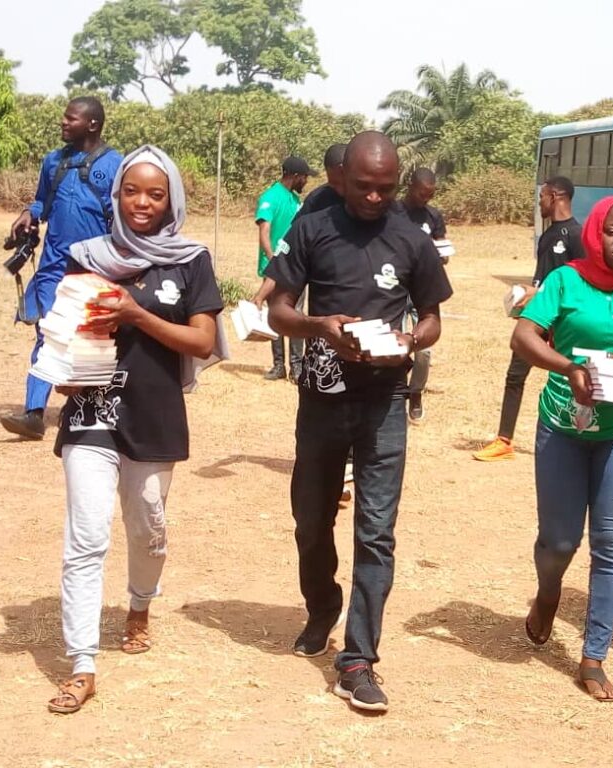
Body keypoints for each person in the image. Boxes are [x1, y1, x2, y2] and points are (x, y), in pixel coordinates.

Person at [265, 131, 453, 713]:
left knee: (376, 531)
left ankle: (358, 660)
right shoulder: (313, 228)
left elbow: (431, 319)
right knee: (310, 521)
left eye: (386, 188)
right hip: (323, 397)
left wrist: (410, 340)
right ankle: (322, 606)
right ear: (343, 176)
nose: (375, 198)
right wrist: (321, 327)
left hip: (384, 400)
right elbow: (278, 310)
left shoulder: (411, 238)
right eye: (365, 186)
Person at [45, 145, 226, 714]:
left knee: (148, 526)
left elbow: (202, 341)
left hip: (154, 413)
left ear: (171, 200)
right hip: (91, 413)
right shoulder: (88, 256)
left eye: (155, 193)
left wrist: (137, 315)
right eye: (130, 191)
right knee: (86, 537)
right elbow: (67, 330)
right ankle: (82, 664)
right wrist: (62, 370)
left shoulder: (190, 260)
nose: (141, 202)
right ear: (116, 195)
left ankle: (140, 605)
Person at [512, 195, 613, 702]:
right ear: (595, 232)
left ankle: (594, 656)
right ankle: (548, 593)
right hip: (563, 426)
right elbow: (523, 336)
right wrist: (568, 368)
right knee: (559, 542)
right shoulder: (565, 281)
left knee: (612, 545)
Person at [0, 97, 123, 440]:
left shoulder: (116, 165)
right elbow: (43, 200)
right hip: (53, 266)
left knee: (91, 337)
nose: (63, 123)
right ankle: (34, 414)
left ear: (92, 124)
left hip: (96, 269)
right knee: (48, 332)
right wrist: (29, 213)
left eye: (71, 119)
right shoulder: (53, 161)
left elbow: (123, 218)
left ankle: (88, 410)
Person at [474, 176, 584, 460]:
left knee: (570, 376)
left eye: (542, 196)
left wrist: (542, 292)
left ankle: (579, 435)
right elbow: (543, 278)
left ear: (556, 196)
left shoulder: (576, 235)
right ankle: (504, 441)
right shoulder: (547, 235)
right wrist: (527, 296)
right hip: (538, 318)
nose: (539, 202)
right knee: (515, 375)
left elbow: (582, 282)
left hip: (564, 321)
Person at [252, 156, 311, 382]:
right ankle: (279, 366)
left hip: (296, 268)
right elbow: (264, 233)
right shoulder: (270, 197)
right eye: (304, 177)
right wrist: (274, 262)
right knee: (275, 315)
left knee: (296, 314)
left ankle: (296, 366)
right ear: (295, 176)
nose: (306, 181)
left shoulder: (295, 200)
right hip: (276, 270)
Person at [398, 167, 447, 424]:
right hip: (396, 288)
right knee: (392, 342)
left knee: (424, 350)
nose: (426, 198)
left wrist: (442, 256)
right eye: (422, 193)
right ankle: (394, 391)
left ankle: (415, 391)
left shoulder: (433, 216)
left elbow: (442, 249)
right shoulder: (393, 212)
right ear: (410, 186)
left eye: (430, 194)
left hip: (423, 290)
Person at [296, 143, 347, 218]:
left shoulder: (364, 196)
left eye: (338, 184)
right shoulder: (316, 200)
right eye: (333, 185)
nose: (339, 192)